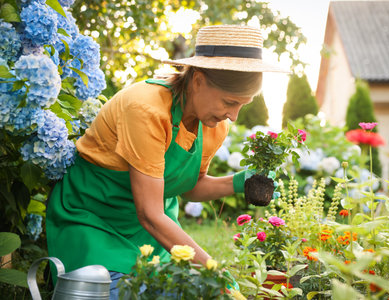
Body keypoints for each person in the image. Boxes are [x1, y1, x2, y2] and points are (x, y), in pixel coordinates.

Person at [46, 24, 287, 299]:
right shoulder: (145, 109)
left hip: (153, 236)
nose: (233, 115)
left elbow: (189, 186)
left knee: (184, 292)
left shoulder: (213, 124)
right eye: (229, 102)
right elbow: (149, 213)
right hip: (94, 223)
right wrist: (211, 268)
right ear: (197, 81)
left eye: (242, 105)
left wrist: (236, 183)